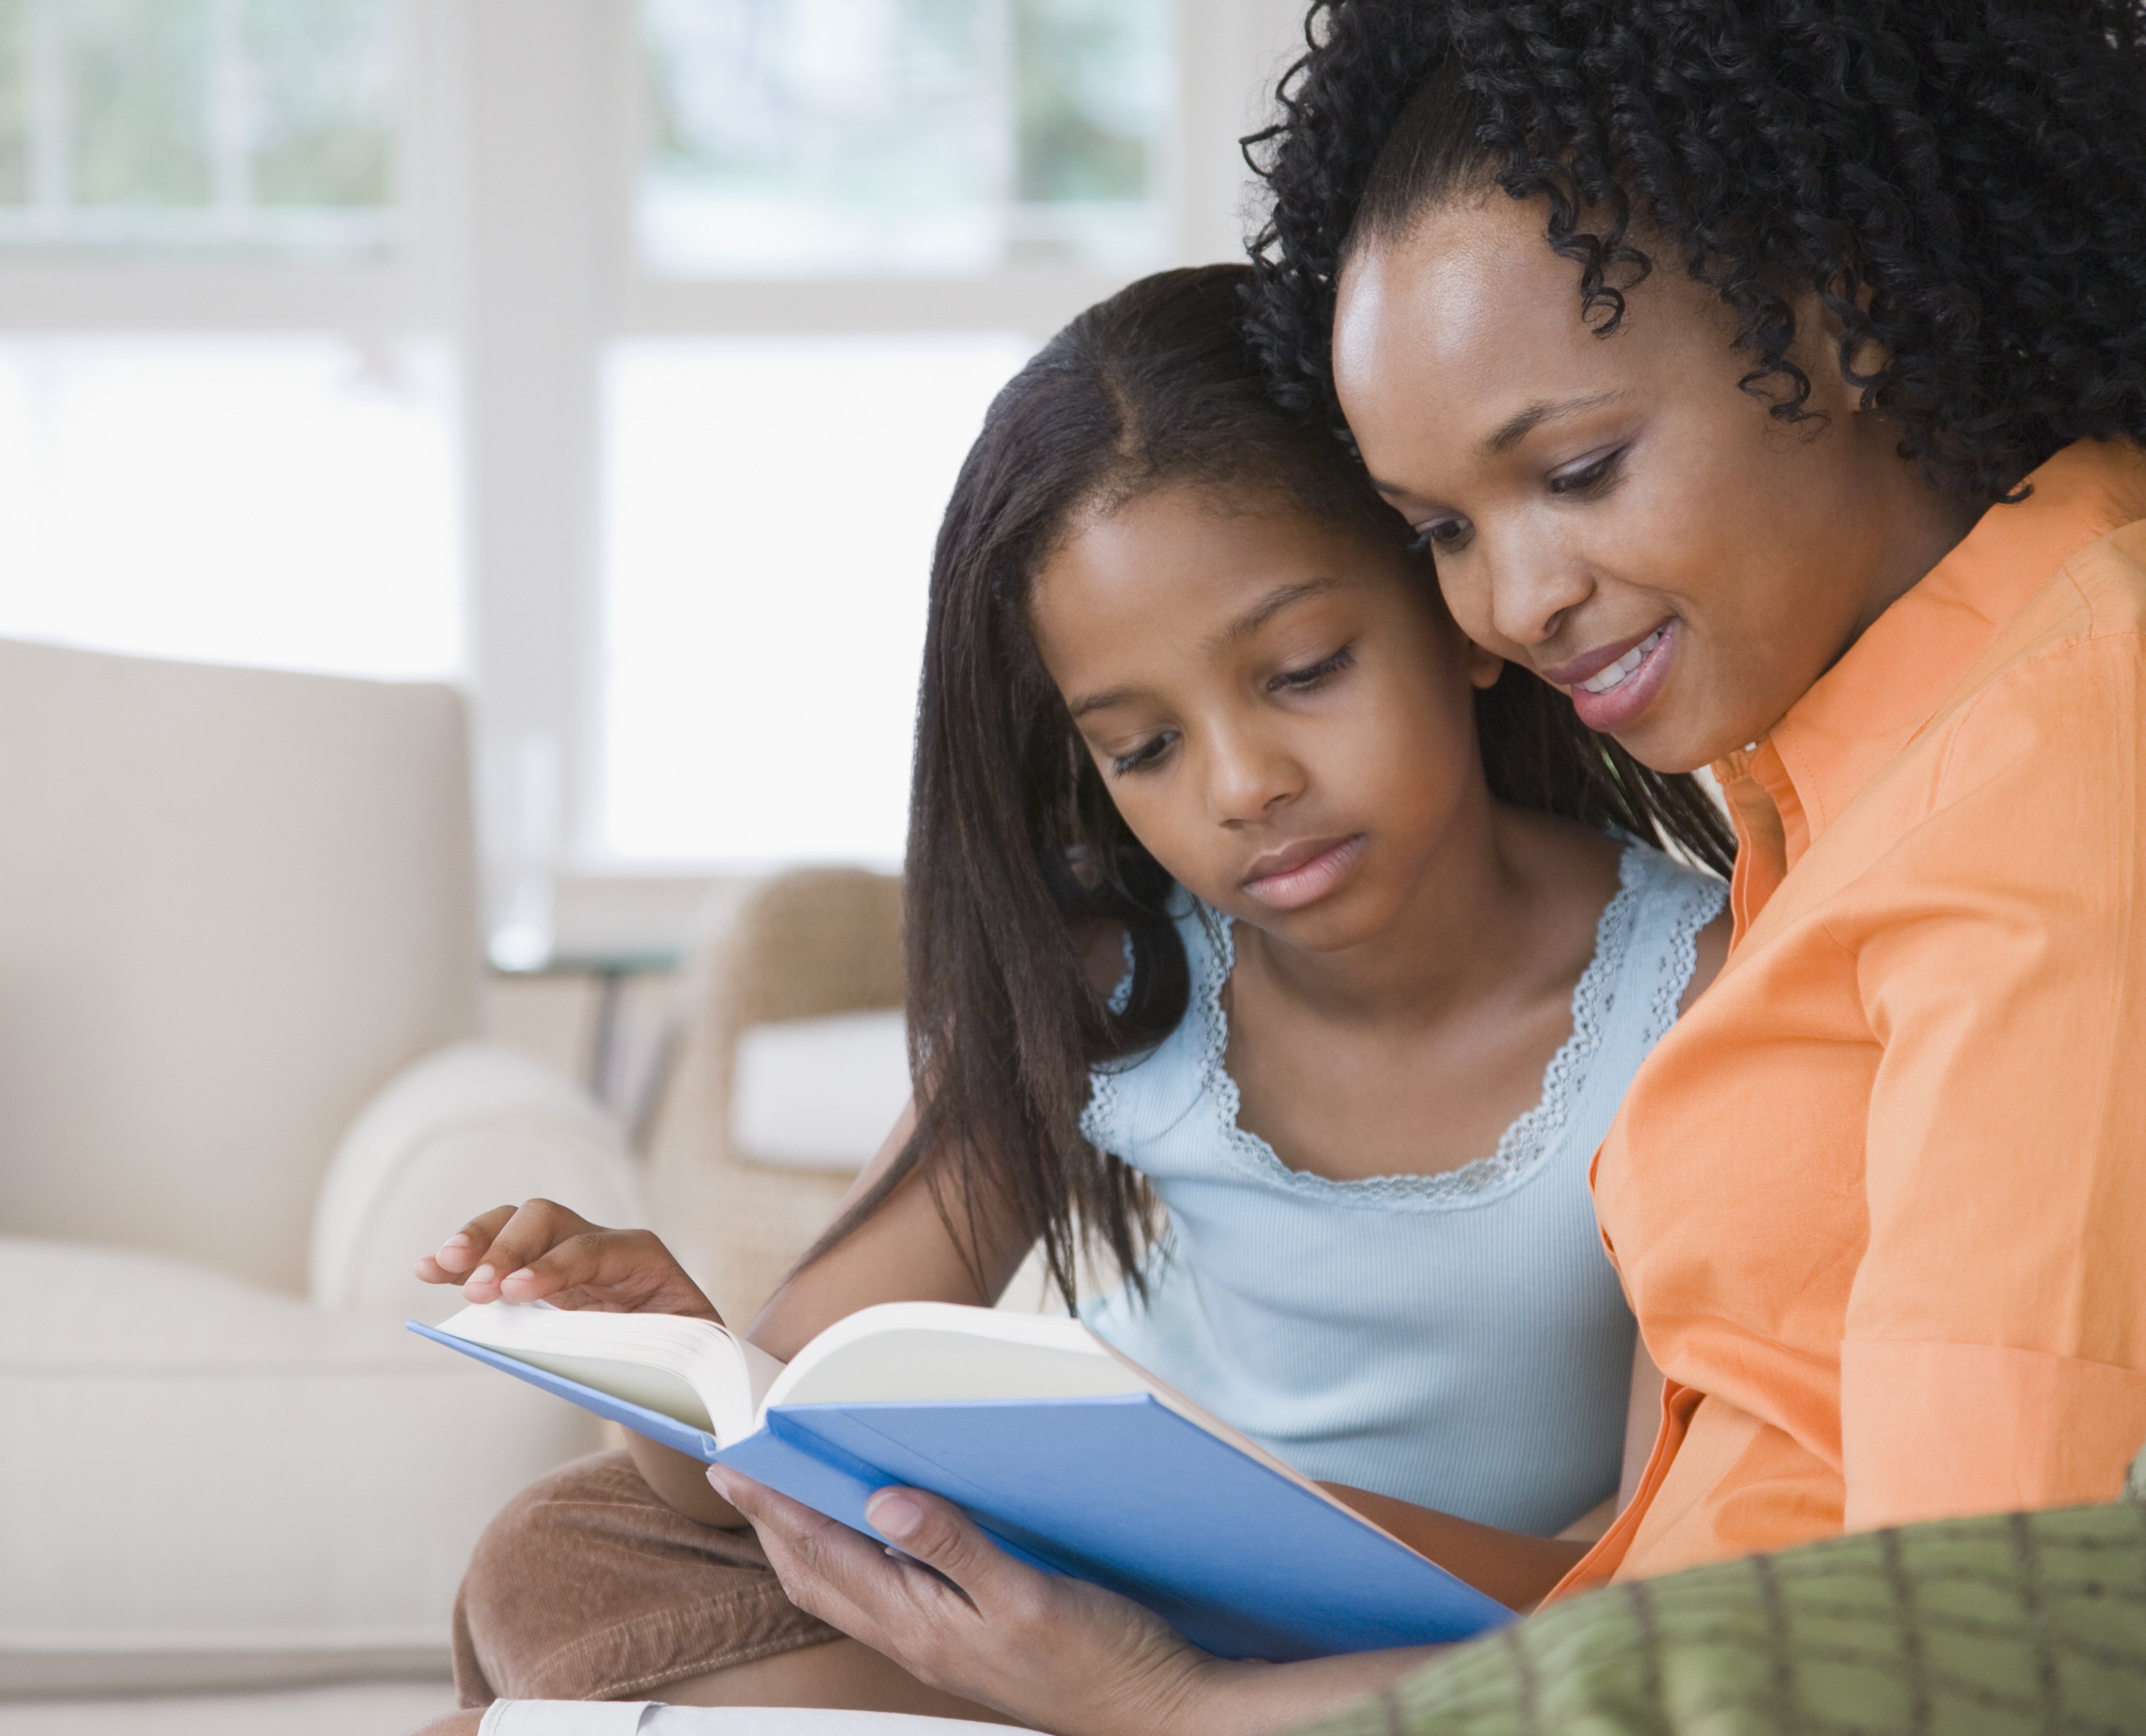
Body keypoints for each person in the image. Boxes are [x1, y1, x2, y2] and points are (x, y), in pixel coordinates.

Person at [683, 5, 2146, 1733]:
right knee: (586, 1600)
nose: (1513, 608)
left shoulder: (2045, 781)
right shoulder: (1859, 743)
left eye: (1577, 470)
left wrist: (1168, 1707)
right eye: (1445, 529)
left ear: (1835, 322)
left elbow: (1970, 1652)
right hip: (1554, 1675)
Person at [415, 262, 1733, 1734]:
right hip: (1061, 1586)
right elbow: (771, 1440)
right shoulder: (1117, 971)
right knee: (558, 1558)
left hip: (1425, 1644)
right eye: (1142, 748)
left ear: (1452, 595)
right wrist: (672, 1350)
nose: (1244, 789)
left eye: (1302, 671)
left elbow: (1655, 1583)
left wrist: (1211, 1601)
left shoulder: (1695, 1002)